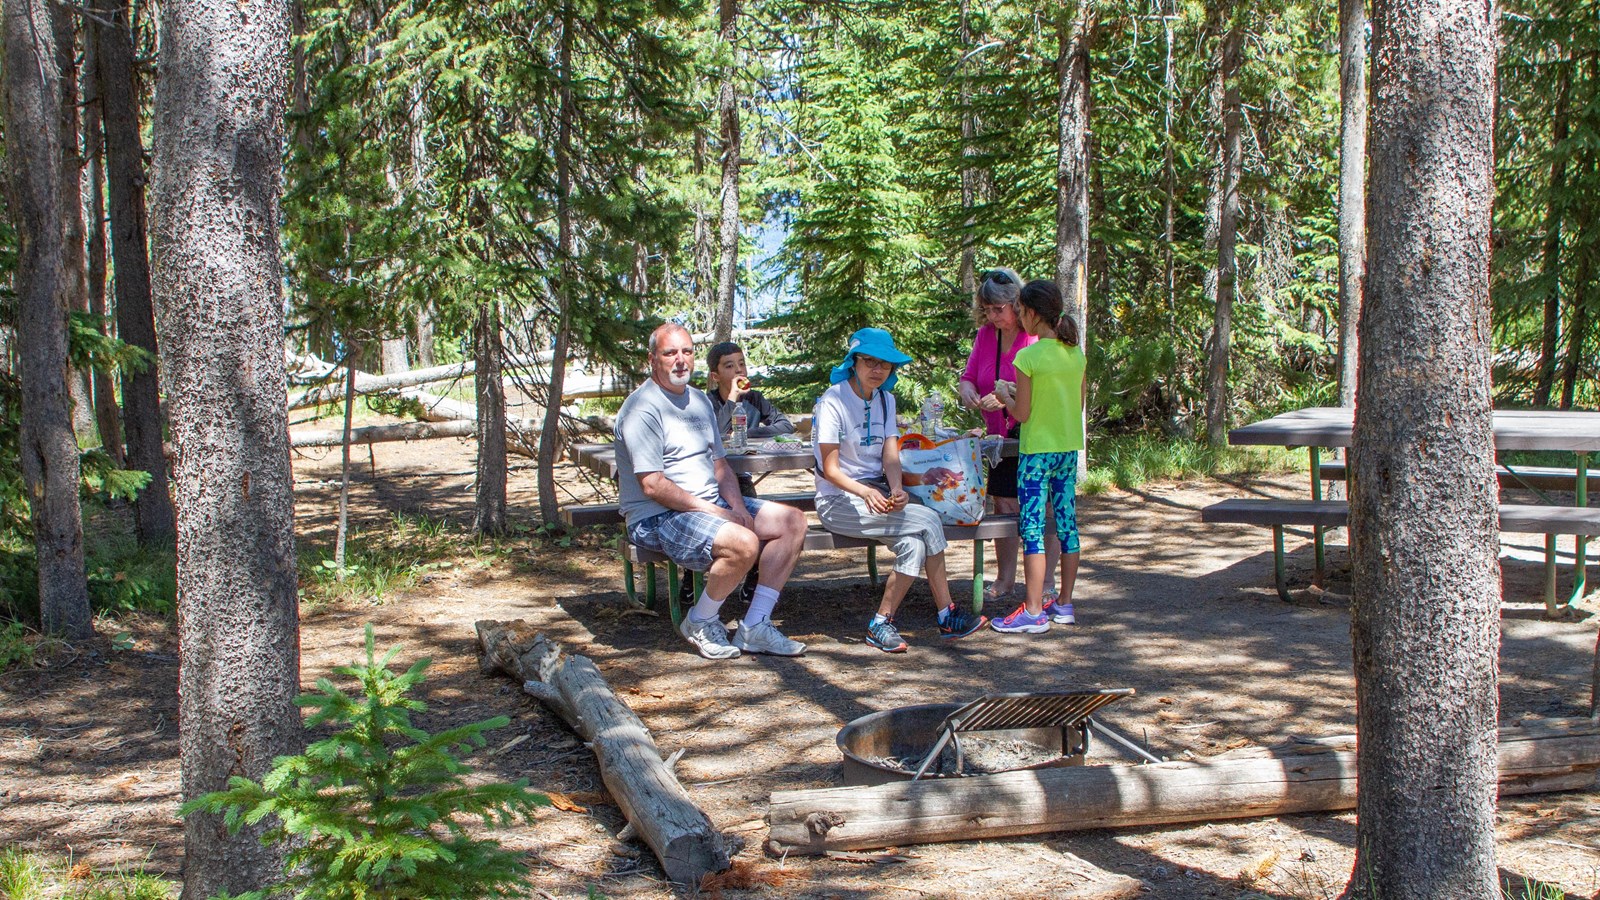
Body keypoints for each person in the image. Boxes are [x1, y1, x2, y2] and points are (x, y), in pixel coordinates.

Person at [615, 323, 810, 659]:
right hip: (658, 516)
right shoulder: (641, 408)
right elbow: (653, 485)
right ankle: (700, 620)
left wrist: (737, 507)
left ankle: (755, 626)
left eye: (686, 352)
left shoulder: (698, 402)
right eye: (670, 353)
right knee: (742, 542)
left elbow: (720, 466)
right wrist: (722, 514)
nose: (680, 360)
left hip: (707, 505)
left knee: (792, 521)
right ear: (652, 359)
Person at [812, 327, 988, 652]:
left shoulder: (885, 400)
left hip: (878, 496)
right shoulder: (832, 401)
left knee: (913, 544)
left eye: (885, 364)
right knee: (929, 520)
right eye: (870, 362)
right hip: (839, 501)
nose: (877, 370)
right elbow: (830, 470)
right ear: (854, 362)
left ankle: (880, 623)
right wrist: (865, 493)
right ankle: (947, 615)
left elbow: (890, 455)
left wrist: (896, 488)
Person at [957, 268, 1061, 606]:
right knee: (1002, 502)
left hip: (1032, 432)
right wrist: (969, 390)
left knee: (1042, 505)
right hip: (998, 437)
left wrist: (1005, 396)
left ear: (1016, 304)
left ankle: (1046, 580)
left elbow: (1043, 385)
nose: (993, 315)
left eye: (999, 309)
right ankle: (1005, 577)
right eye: (987, 309)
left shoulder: (1033, 335)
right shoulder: (985, 335)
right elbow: (970, 375)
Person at [992, 280, 1086, 633]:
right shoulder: (1075, 353)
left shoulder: (1027, 356)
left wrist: (1005, 395)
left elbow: (1023, 414)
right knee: (1067, 526)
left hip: (1036, 455)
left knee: (1031, 528)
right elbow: (1075, 405)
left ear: (1031, 314)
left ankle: (1032, 611)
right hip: (1066, 451)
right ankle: (1064, 603)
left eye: (1020, 311)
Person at [704, 340, 797, 497]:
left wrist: (748, 434)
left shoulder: (754, 399)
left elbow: (786, 425)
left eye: (742, 364)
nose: (739, 370)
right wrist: (733, 398)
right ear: (715, 376)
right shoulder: (707, 402)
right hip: (712, 477)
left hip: (742, 476)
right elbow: (717, 434)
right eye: (729, 366)